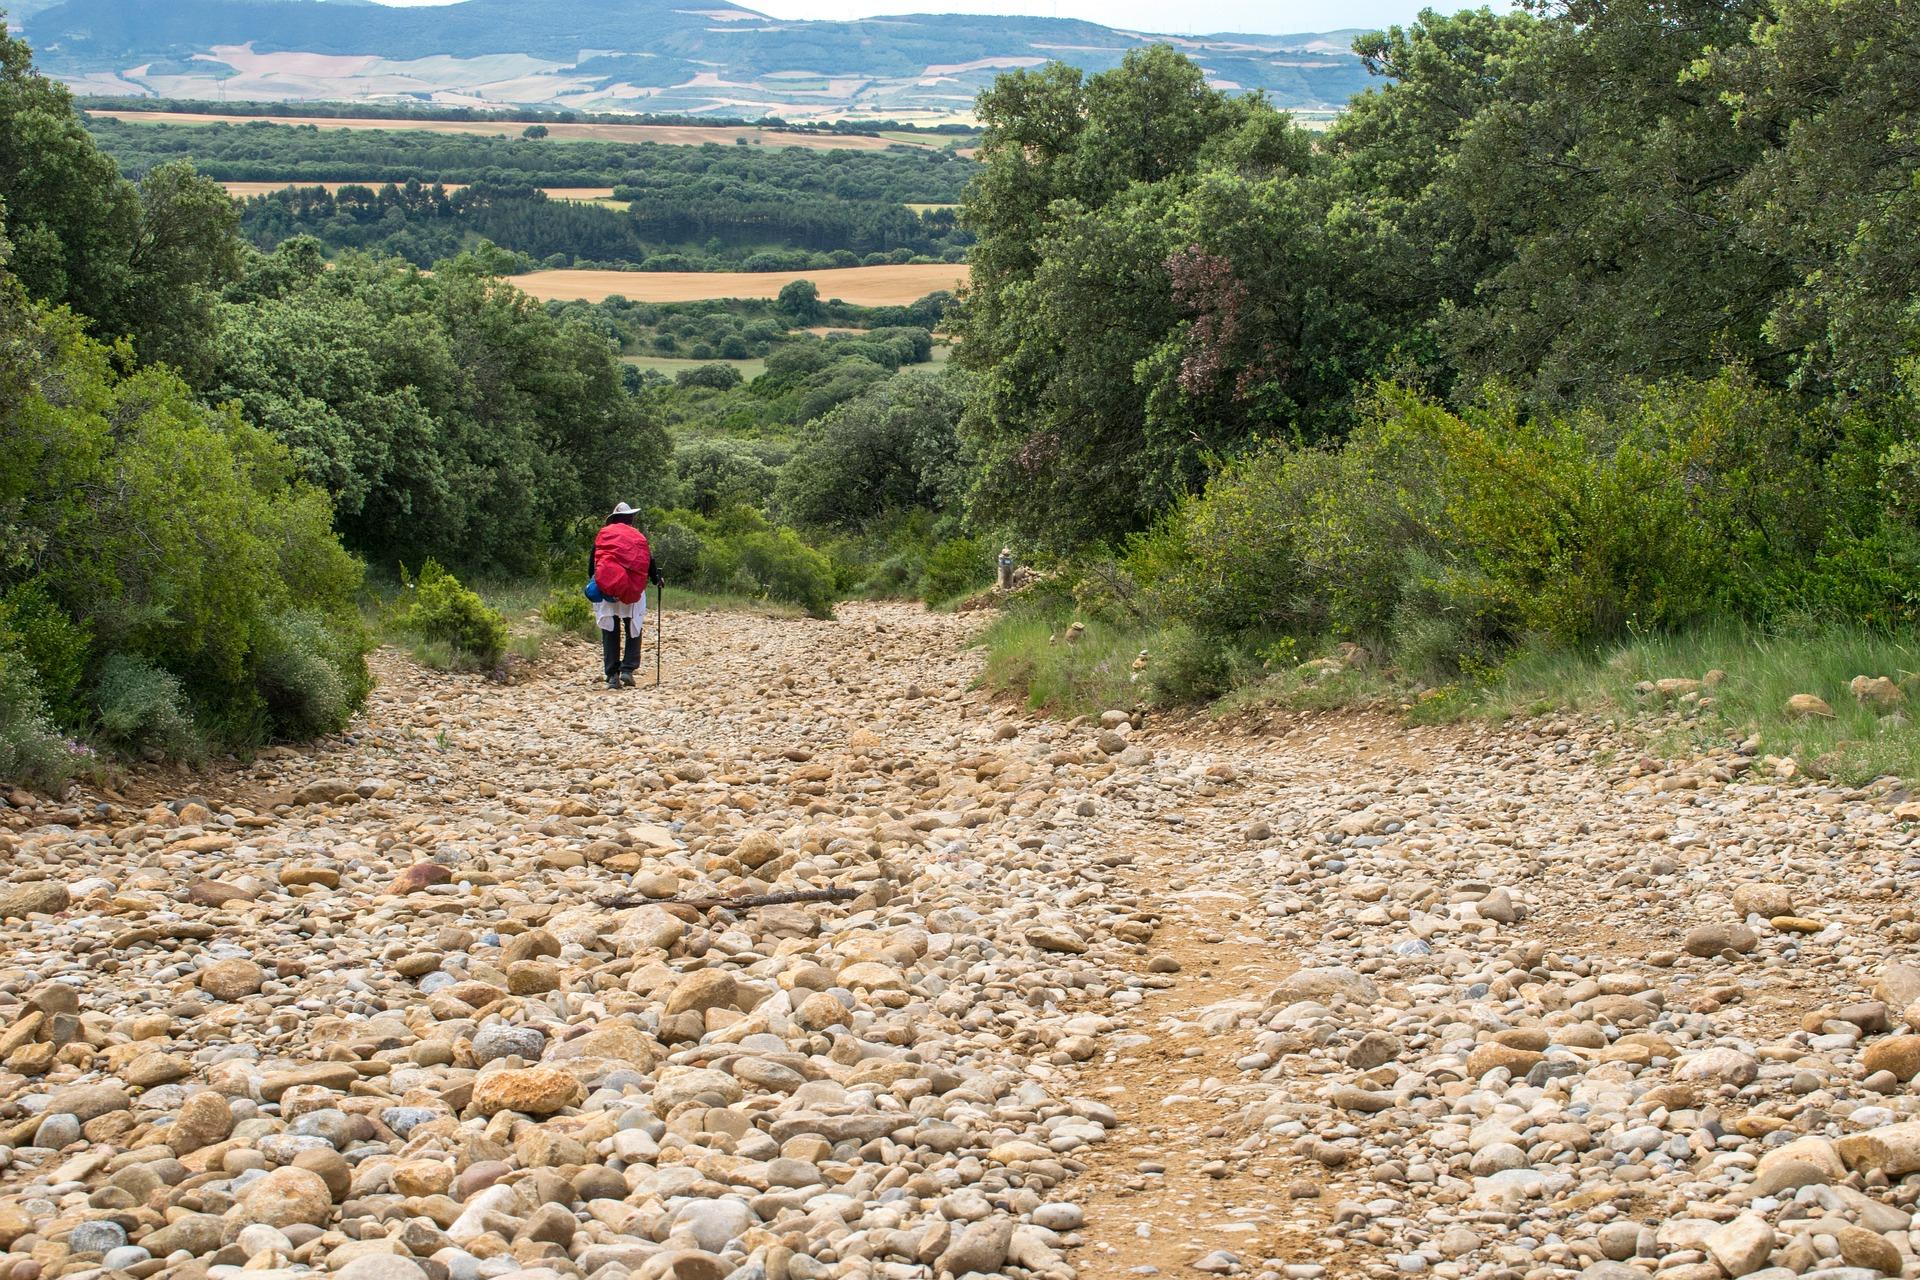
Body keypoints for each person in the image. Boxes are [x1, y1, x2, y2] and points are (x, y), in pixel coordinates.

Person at [589, 501, 662, 691]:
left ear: (613, 519)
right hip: (631, 590)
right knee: (633, 627)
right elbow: (648, 561)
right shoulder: (637, 537)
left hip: (609, 589)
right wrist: (657, 580)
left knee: (610, 630)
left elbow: (593, 564)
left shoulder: (604, 535)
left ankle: (612, 675)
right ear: (629, 519)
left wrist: (599, 583)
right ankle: (627, 669)